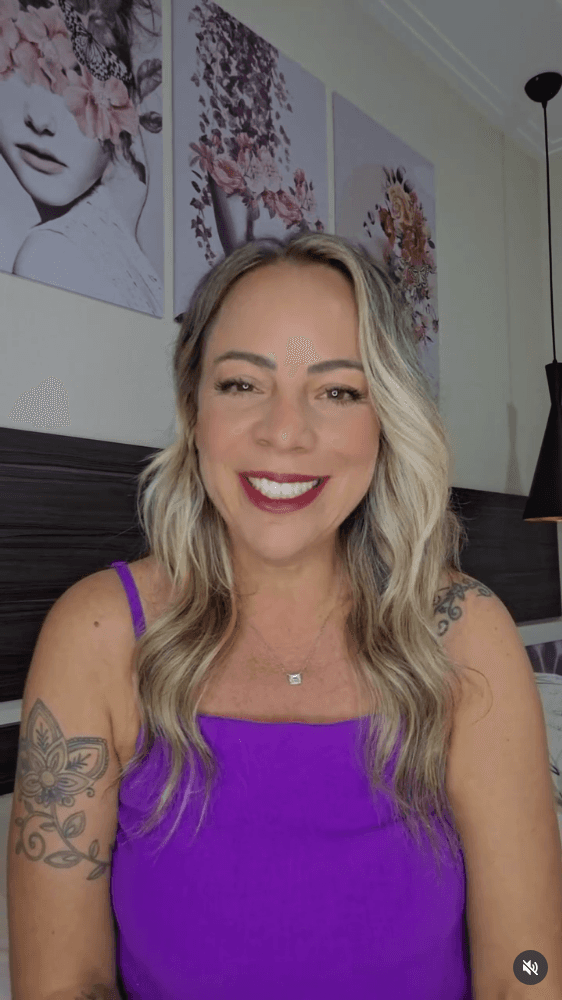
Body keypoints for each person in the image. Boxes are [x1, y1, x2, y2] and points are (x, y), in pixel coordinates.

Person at [16, 231, 562, 999]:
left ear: (385, 420)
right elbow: (62, 983)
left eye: (338, 391)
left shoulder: (466, 632)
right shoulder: (97, 635)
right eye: (242, 384)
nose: (284, 433)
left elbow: (528, 969)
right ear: (193, 405)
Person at [0, 0, 163, 315]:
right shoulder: (112, 238)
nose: (40, 119)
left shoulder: (50, 254)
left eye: (73, 88)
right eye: (21, 67)